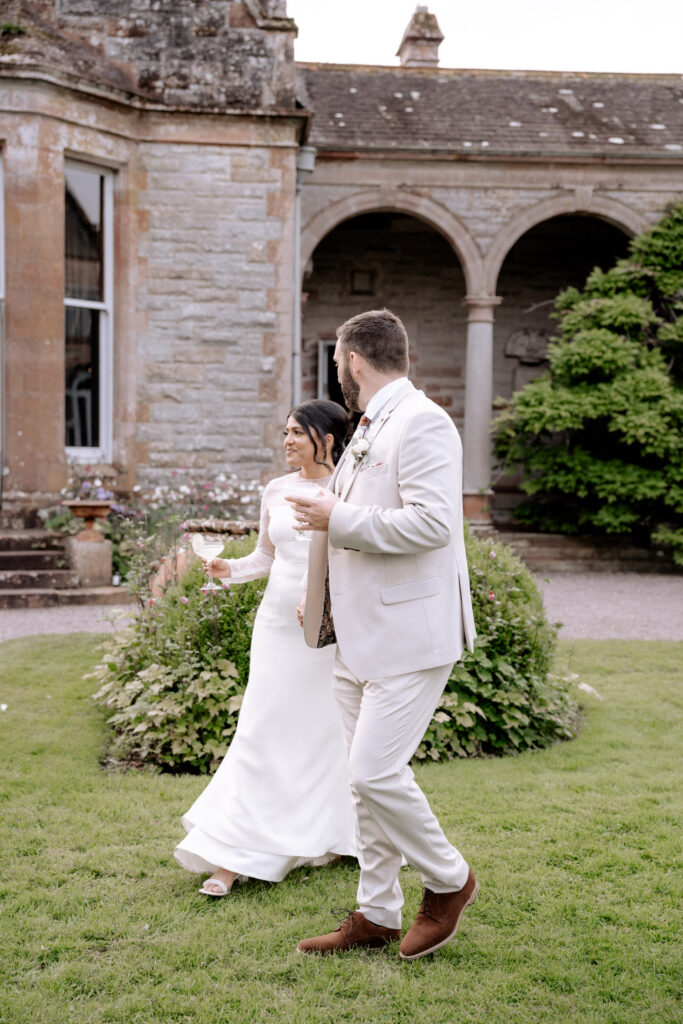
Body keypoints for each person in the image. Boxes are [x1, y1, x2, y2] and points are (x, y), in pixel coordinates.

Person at [287, 309, 477, 960]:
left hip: (408, 632)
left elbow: (430, 525)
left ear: (355, 363)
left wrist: (335, 516)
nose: (338, 372)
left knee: (374, 772)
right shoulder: (370, 423)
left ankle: (448, 880)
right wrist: (319, 603)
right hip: (358, 633)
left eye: (338, 362)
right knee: (357, 782)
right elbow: (350, 528)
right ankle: (376, 912)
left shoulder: (422, 421)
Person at [174, 400, 356, 896]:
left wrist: (319, 590)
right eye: (286, 432)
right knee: (260, 730)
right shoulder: (276, 489)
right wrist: (228, 569)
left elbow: (358, 555)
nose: (288, 441)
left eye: (298, 432)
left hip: (323, 627)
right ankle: (233, 853)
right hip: (275, 627)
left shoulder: (348, 488)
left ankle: (336, 834)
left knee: (324, 733)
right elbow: (265, 556)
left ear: (328, 437)